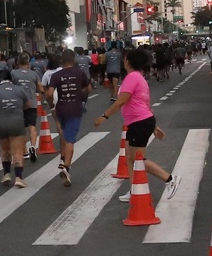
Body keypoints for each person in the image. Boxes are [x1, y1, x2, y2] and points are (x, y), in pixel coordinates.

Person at [94, 49, 179, 200]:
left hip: (139, 122)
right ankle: (134, 190)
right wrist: (153, 126)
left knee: (137, 158)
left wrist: (104, 116)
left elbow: (121, 101)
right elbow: (145, 103)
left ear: (128, 61)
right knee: (130, 157)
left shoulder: (132, 78)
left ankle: (170, 180)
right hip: (140, 121)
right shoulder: (138, 77)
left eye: (124, 59)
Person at [0, 69, 32, 189]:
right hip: (16, 121)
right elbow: (28, 104)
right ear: (11, 79)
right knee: (18, 151)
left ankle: (6, 174)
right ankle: (19, 177)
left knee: (5, 149)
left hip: (0, 122)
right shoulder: (19, 89)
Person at [48, 50, 90, 187]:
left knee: (65, 135)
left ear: (62, 60)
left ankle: (63, 159)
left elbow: (49, 93)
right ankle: (66, 166)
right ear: (73, 60)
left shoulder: (56, 75)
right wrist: (79, 93)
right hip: (74, 109)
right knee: (70, 139)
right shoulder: (79, 73)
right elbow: (88, 88)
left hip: (61, 109)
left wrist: (50, 103)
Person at [11, 55, 43, 163]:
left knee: (21, 128)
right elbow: (40, 87)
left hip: (18, 104)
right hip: (32, 103)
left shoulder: (13, 73)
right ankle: (33, 146)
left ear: (18, 62)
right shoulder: (34, 74)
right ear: (28, 63)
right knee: (32, 126)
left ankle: (24, 151)